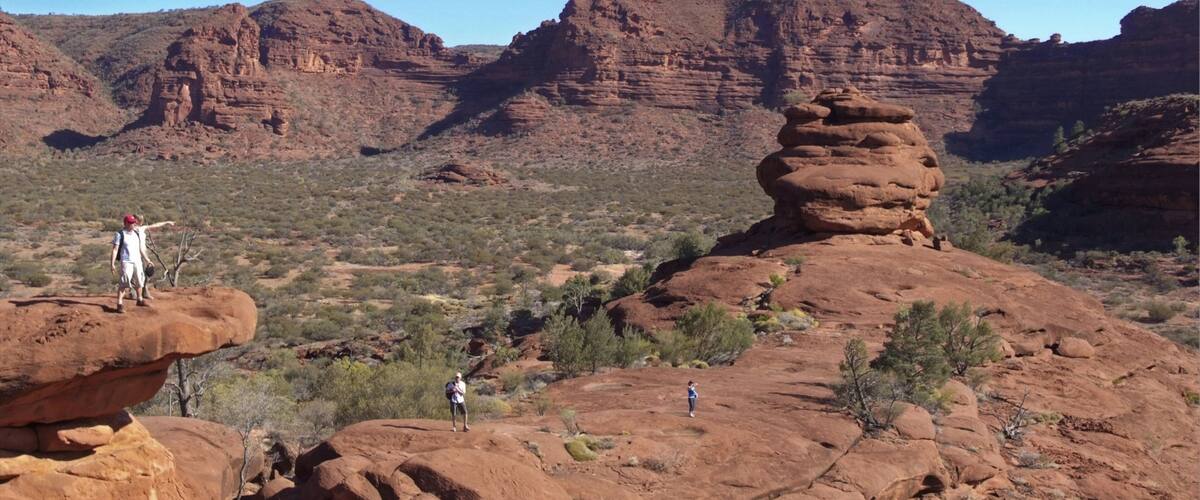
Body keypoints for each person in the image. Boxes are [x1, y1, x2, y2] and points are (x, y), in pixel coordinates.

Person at [110, 214, 153, 313]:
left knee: (139, 280)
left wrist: (147, 260)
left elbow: (141, 249)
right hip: (126, 261)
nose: (133, 224)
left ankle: (140, 299)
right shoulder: (120, 234)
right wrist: (112, 263)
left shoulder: (136, 233)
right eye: (130, 223)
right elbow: (115, 249)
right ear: (125, 223)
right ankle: (119, 304)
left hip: (137, 260)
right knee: (124, 282)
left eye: (134, 222)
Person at [134, 215, 175, 300]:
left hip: (143, 252)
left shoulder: (142, 228)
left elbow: (155, 225)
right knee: (134, 272)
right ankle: (133, 292)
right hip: (134, 253)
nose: (141, 221)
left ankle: (144, 290)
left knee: (146, 271)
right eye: (139, 219)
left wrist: (166, 222)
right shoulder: (130, 230)